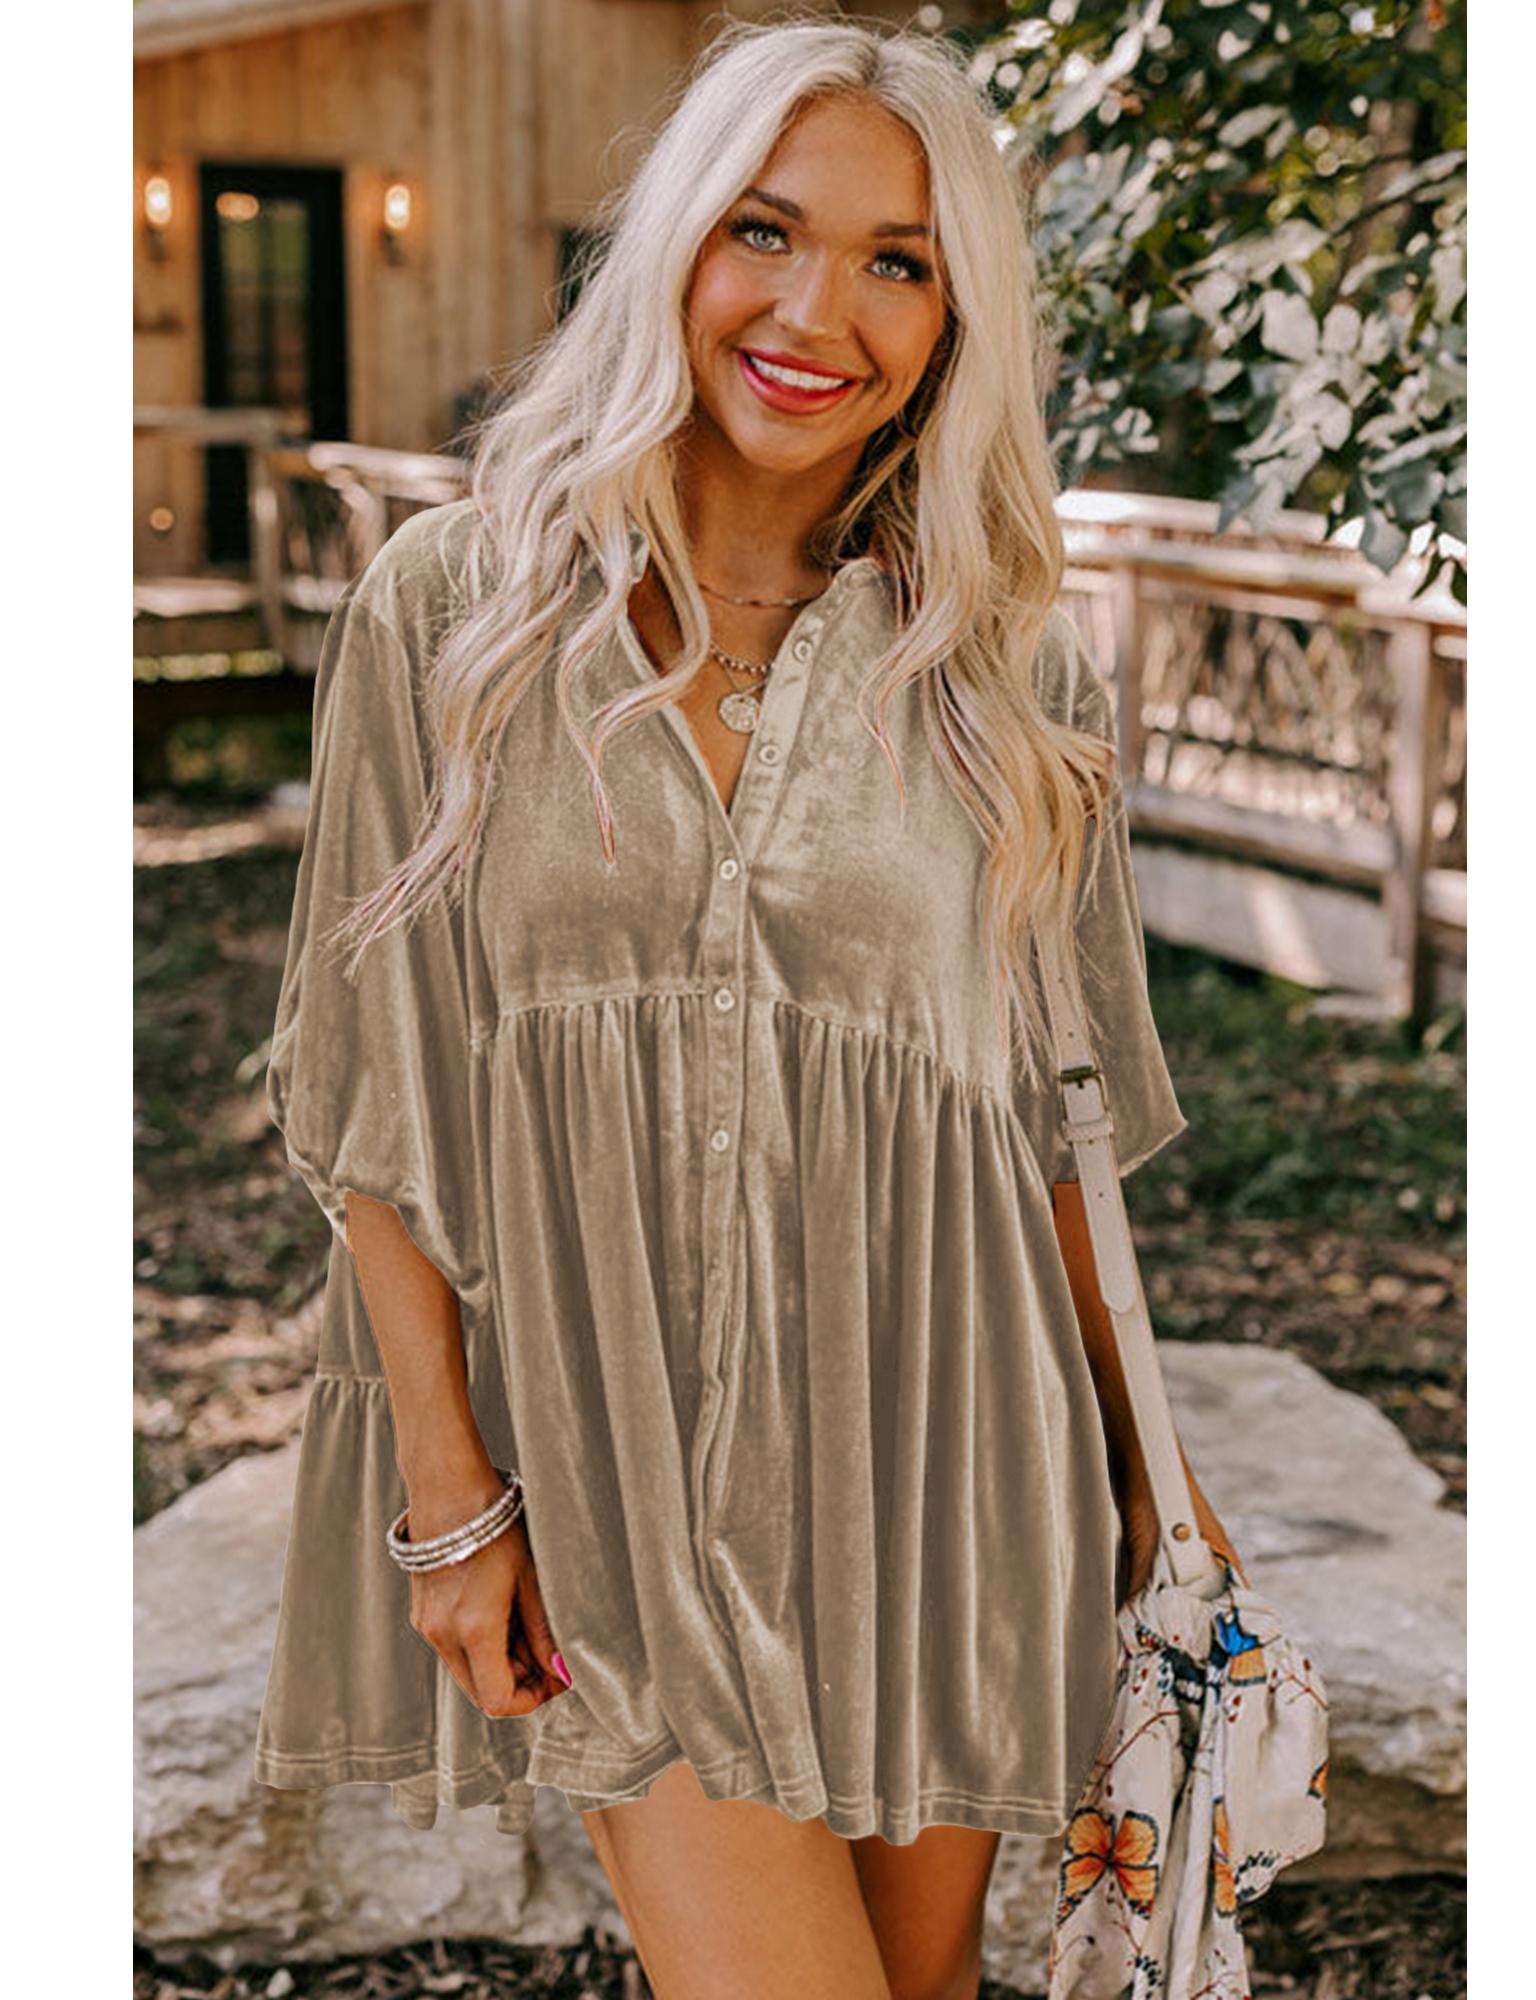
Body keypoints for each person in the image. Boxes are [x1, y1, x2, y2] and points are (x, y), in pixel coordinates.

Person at [252, 17, 1243, 2000]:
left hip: (943, 1448)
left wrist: (1151, 1467)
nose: (816, 312)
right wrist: (448, 1493)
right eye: (765, 231)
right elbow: (370, 1071)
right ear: (675, 244)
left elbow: (1045, 1116)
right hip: (613, 1461)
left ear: (953, 316)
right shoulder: (456, 610)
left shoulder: (1005, 669)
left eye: (897, 262)